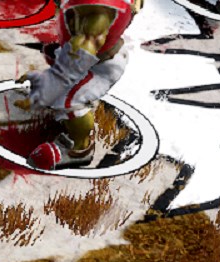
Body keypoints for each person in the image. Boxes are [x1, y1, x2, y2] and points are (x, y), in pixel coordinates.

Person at [19, 0, 143, 170]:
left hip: (100, 65)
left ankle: (80, 149)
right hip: (88, 52)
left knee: (68, 100)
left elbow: (81, 54)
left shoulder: (99, 15)